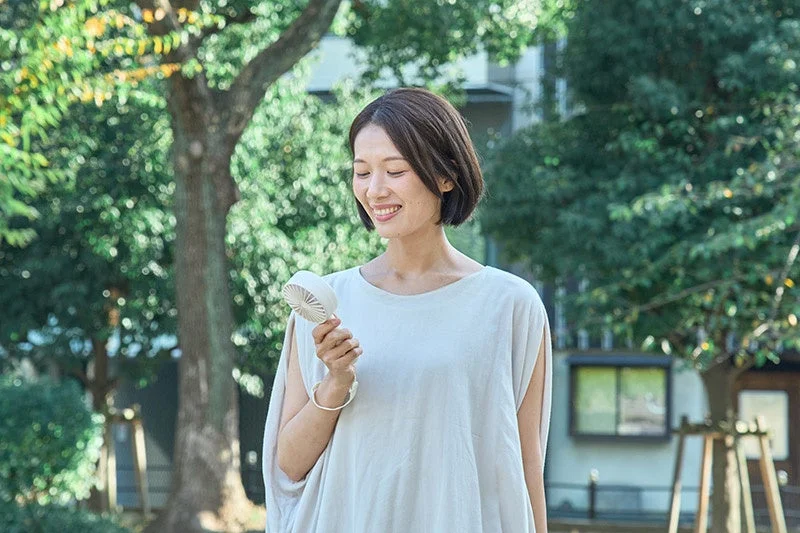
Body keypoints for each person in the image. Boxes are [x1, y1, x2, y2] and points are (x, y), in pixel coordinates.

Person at [262, 87, 552, 533]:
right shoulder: (328, 306)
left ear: (446, 176)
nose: (374, 190)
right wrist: (337, 384)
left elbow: (525, 464)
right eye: (361, 172)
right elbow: (290, 466)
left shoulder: (510, 305)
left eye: (394, 170)